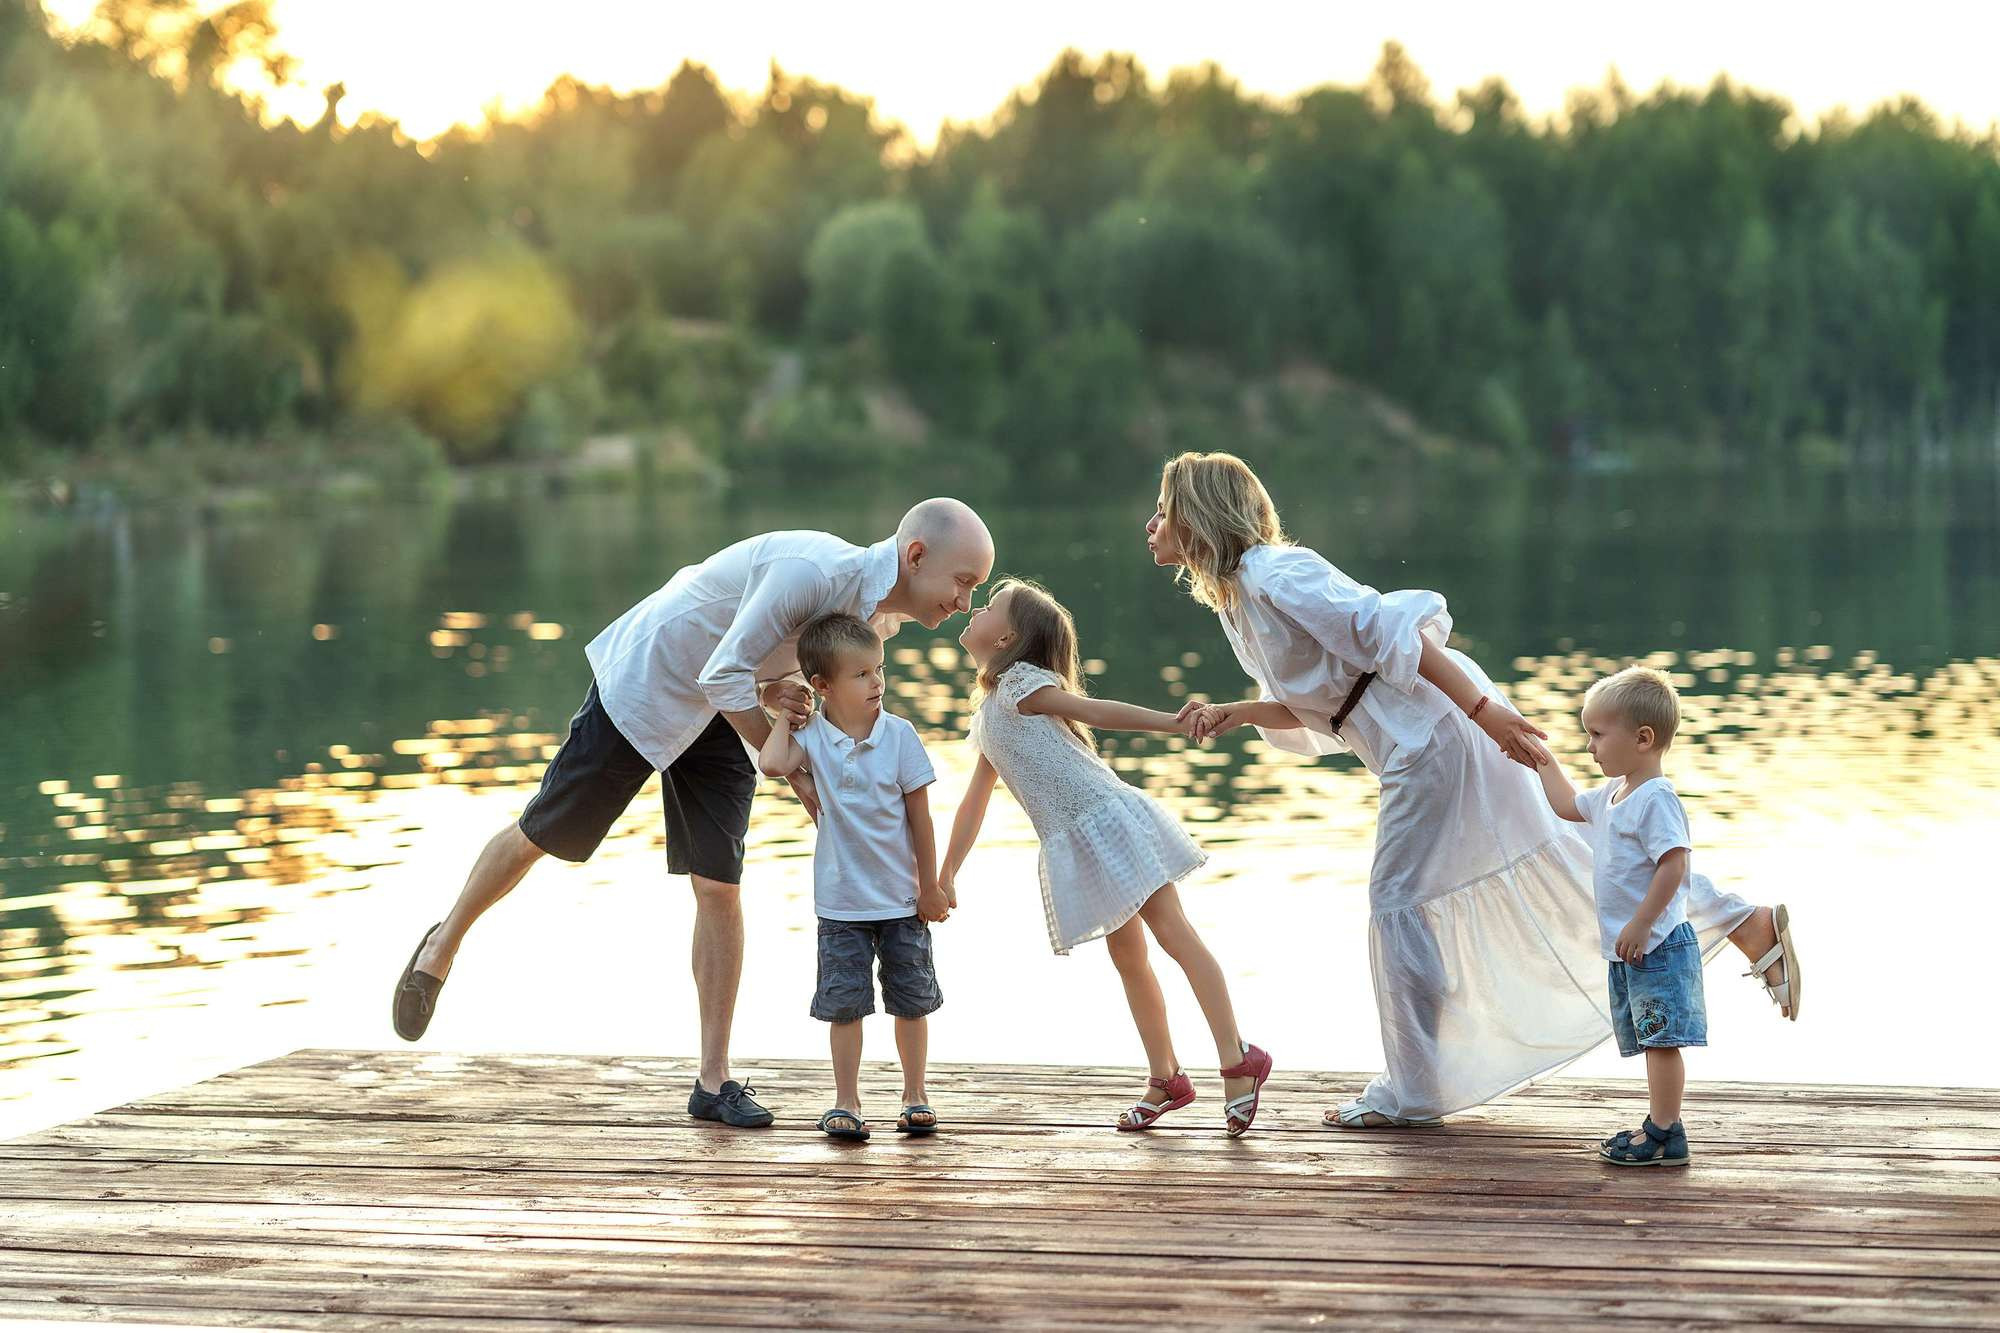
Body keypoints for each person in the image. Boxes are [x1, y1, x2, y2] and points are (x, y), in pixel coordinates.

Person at [1161, 452, 1800, 1128]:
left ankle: (1416, 1087)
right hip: (1418, 732)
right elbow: (1321, 702)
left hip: (1435, 727)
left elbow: (1390, 633)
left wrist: (1483, 713)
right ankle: (1744, 921)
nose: (1150, 523)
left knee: (1397, 898)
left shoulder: (1276, 573)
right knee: (1554, 845)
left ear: (1200, 515)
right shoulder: (1240, 599)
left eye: (1162, 507)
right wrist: (1242, 712)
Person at [391, 500, 994, 1131]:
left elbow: (764, 680)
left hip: (723, 708)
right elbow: (722, 667)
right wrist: (793, 768)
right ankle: (445, 938)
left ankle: (713, 1081)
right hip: (649, 684)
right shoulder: (812, 572)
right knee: (543, 834)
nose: (965, 603)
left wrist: (789, 725)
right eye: (963, 582)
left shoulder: (873, 622)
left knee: (719, 883)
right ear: (916, 555)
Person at [939, 577, 1273, 1136]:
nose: (976, 609)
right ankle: (1166, 1076)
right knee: (1128, 957)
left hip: (1107, 820)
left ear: (1008, 640)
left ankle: (1238, 1058)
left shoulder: (1023, 682)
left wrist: (1171, 722)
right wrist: (947, 871)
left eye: (991, 606)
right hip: (1077, 842)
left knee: (1173, 933)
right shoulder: (989, 712)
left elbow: (1095, 710)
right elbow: (974, 801)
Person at [758, 613, 945, 1142]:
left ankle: (915, 1095)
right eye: (861, 674)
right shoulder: (812, 737)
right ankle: (847, 1100)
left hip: (901, 900)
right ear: (822, 687)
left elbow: (921, 819)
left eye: (878, 670)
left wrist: (929, 886)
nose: (877, 682)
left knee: (911, 1000)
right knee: (845, 1005)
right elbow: (773, 765)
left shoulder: (901, 737)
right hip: (841, 906)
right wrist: (784, 715)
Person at [1533, 666, 1728, 1166]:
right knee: (1650, 1039)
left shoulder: (1655, 799)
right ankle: (1662, 1128)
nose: (1591, 747)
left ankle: (1665, 1132)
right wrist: (1540, 759)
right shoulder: (1611, 796)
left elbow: (1674, 863)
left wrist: (1641, 923)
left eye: (1597, 735)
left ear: (1643, 739)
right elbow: (1564, 805)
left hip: (1657, 945)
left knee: (1662, 1042)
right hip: (1634, 949)